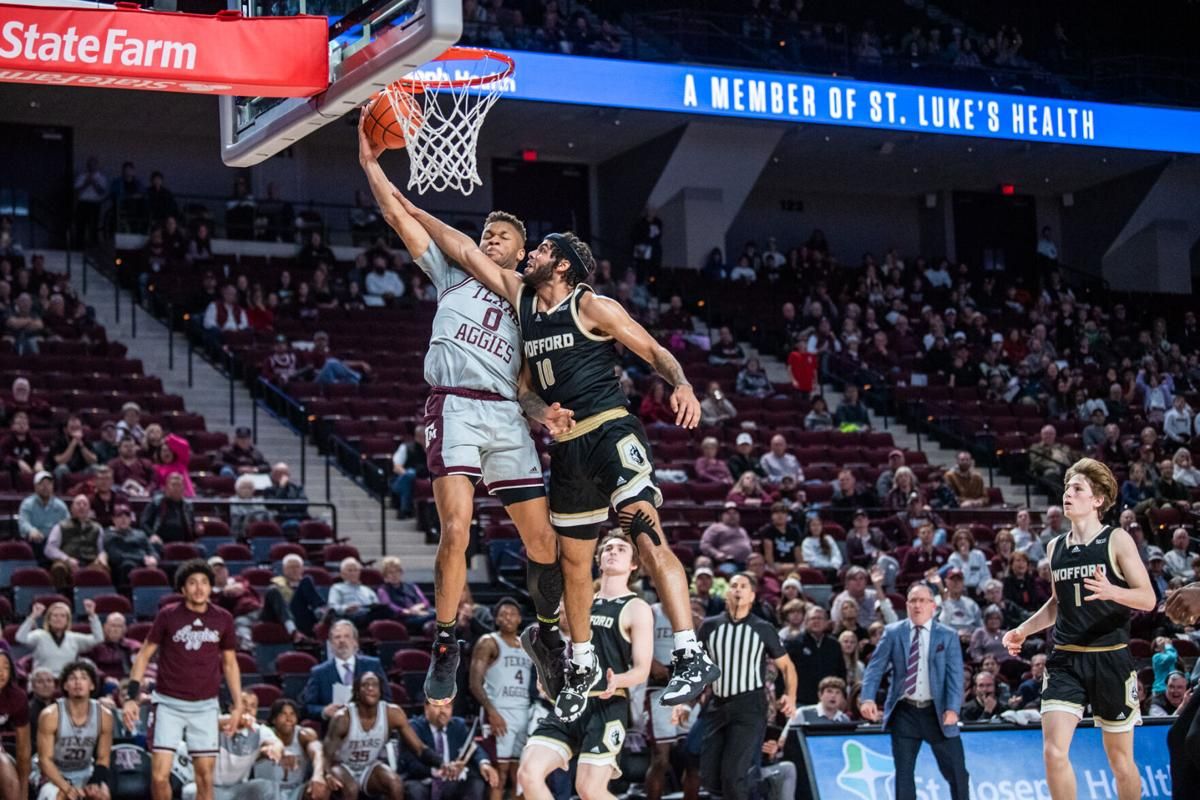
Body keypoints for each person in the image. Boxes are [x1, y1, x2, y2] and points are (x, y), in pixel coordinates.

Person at [398, 192, 719, 721]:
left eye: (540, 249)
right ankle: (580, 662)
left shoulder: (591, 304)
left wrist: (681, 382)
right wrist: (543, 411)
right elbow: (522, 386)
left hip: (611, 431)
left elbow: (651, 349)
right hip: (567, 449)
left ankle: (688, 651)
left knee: (644, 530)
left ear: (561, 263)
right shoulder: (524, 311)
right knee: (573, 563)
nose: (530, 256)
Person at [360, 114, 572, 709]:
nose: (489, 240)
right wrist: (371, 166)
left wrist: (543, 415)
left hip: (505, 414)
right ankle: (446, 641)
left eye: (500, 237)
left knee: (544, 544)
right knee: (457, 530)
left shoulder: (531, 308)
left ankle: (546, 635)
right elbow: (398, 217)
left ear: (522, 253)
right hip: (453, 406)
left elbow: (527, 387)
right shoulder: (451, 273)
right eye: (485, 234)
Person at [1002, 458, 1156, 800]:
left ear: (1097, 500)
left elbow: (1148, 599)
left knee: (1120, 761)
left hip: (1110, 658)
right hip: (1066, 660)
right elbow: (1057, 604)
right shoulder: (1056, 547)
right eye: (1067, 487)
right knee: (1053, 752)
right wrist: (1023, 630)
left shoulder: (1116, 540)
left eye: (1077, 488)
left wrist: (1112, 591)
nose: (1067, 493)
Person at [518, 533, 653, 800]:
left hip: (606, 703)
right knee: (528, 774)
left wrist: (618, 680)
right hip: (569, 701)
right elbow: (561, 646)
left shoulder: (636, 607)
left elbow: (642, 669)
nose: (613, 552)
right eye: (608, 549)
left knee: (589, 791)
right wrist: (547, 675)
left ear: (634, 564)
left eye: (621, 549)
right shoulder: (579, 599)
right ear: (598, 560)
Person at [122, 558, 243, 800]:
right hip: (168, 703)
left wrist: (238, 704)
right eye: (193, 583)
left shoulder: (223, 618)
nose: (199, 588)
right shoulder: (168, 616)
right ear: (183, 588)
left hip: (206, 705)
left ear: (211, 587)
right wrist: (131, 697)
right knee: (159, 776)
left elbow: (230, 663)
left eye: (204, 583)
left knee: (205, 777)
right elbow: (144, 654)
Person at [683, 572, 797, 800]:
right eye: (733, 585)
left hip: (750, 705)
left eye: (743, 586)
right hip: (716, 704)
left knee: (733, 774)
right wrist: (685, 703)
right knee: (710, 774)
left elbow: (787, 667)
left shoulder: (763, 628)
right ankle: (762, 788)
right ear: (726, 593)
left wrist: (790, 696)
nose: (737, 589)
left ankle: (756, 788)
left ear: (752, 596)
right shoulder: (709, 626)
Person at [859, 583, 970, 800]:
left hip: (937, 713)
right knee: (904, 775)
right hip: (905, 712)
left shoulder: (947, 635)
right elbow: (874, 669)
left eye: (922, 601)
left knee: (957, 773)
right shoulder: (893, 632)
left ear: (933, 606)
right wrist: (867, 699)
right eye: (913, 601)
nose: (917, 605)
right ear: (907, 605)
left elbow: (955, 676)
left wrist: (952, 708)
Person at [323, 672, 444, 800]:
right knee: (351, 789)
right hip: (343, 766)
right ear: (357, 691)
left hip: (368, 766)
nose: (370, 688)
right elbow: (326, 755)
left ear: (380, 691)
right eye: (365, 685)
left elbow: (419, 748)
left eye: (375, 685)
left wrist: (442, 763)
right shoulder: (343, 718)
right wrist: (327, 774)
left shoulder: (393, 714)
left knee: (395, 783)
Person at [469, 597, 533, 800]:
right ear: (495, 619)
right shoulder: (488, 642)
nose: (508, 618)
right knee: (499, 773)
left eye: (512, 614)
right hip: (499, 712)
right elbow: (474, 683)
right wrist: (491, 712)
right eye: (503, 614)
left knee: (521, 776)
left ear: (520, 618)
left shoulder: (528, 646)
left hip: (523, 713)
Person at [36, 660, 113, 800]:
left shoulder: (104, 715)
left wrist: (95, 782)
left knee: (103, 796)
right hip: (53, 773)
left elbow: (103, 757)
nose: (78, 682)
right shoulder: (50, 715)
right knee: (61, 796)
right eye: (72, 678)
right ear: (65, 686)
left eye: (83, 677)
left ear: (92, 685)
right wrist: (66, 787)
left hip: (85, 771)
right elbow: (45, 760)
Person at [398, 699, 500, 800]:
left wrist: (484, 763)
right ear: (426, 707)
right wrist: (438, 771)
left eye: (447, 707)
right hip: (422, 778)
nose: (443, 711)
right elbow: (410, 763)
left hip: (450, 780)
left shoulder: (458, 725)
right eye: (437, 706)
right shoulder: (413, 728)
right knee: (416, 791)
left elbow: (474, 747)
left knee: (475, 784)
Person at [190, 692, 282, 800]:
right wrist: (235, 720)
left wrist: (274, 749)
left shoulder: (258, 730)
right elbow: (205, 725)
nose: (248, 708)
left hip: (239, 789)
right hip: (211, 787)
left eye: (253, 706)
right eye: (243, 703)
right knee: (192, 791)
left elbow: (277, 743)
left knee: (267, 787)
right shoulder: (219, 722)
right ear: (232, 708)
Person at [300, 620, 391, 723]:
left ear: (355, 642)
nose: (342, 640)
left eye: (346, 636)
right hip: (335, 732)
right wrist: (324, 711)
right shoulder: (319, 672)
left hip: (371, 727)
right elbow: (307, 707)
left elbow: (386, 698)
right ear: (330, 644)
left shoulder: (372, 665)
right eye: (337, 637)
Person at [258, 698, 330, 800]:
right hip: (266, 792)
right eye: (283, 714)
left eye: (292, 714)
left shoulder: (304, 735)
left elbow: (318, 752)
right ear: (274, 719)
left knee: (321, 788)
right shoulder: (263, 733)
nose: (289, 718)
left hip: (296, 792)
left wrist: (318, 775)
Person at [17, 599, 103, 677]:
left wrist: (92, 615)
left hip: (66, 682)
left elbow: (98, 639)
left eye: (62, 616)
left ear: (67, 620)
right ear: (49, 619)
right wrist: (33, 616)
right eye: (55, 615)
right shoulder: (39, 635)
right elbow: (20, 638)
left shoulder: (74, 638)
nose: (58, 619)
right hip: (43, 681)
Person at [45, 494, 107, 589]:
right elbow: (49, 549)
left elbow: (101, 550)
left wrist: (101, 557)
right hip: (67, 563)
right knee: (58, 568)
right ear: (72, 508)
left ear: (89, 509)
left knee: (103, 568)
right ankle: (62, 596)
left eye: (85, 504)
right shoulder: (60, 526)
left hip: (91, 563)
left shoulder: (97, 528)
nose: (81, 506)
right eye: (78, 504)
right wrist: (67, 559)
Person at [786, 606, 844, 705]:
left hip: (828, 702)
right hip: (800, 700)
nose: (816, 621)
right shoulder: (793, 643)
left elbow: (841, 673)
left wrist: (843, 695)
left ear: (826, 622)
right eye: (813, 618)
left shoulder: (834, 645)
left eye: (820, 618)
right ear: (806, 622)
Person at [0, 650, 31, 799]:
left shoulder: (16, 697)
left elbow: (23, 749)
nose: (1, 673)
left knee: (11, 782)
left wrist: (23, 794)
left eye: (6, 667)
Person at [377, 556, 434, 633]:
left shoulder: (411, 586)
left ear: (401, 572)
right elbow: (389, 606)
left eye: (397, 571)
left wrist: (418, 607)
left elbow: (425, 601)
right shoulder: (383, 590)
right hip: (405, 619)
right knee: (439, 616)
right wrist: (409, 612)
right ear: (385, 575)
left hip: (422, 613)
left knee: (441, 614)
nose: (394, 575)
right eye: (390, 572)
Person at [328, 558, 389, 630]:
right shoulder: (337, 588)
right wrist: (346, 608)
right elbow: (333, 606)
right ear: (342, 574)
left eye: (356, 570)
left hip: (368, 614)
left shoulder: (367, 589)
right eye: (350, 570)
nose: (353, 573)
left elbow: (376, 604)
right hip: (350, 616)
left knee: (386, 610)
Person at [87, 612, 142, 682]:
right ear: (105, 627)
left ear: (125, 629)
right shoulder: (96, 646)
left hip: (128, 681)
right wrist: (104, 678)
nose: (116, 630)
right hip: (104, 682)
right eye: (113, 626)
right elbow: (89, 666)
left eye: (119, 626)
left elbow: (143, 663)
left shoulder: (132, 645)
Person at [19, 469, 68, 545]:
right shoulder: (27, 504)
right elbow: (23, 523)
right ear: (35, 486)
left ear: (52, 486)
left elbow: (67, 523)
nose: (45, 487)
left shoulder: (60, 505)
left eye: (49, 484)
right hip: (34, 541)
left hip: (55, 542)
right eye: (41, 484)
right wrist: (31, 530)